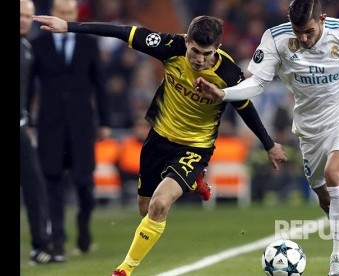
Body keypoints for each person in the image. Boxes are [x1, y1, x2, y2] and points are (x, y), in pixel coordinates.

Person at [33, 14, 287, 276]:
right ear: (186, 41)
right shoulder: (169, 46)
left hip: (195, 147)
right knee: (145, 209)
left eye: (207, 53)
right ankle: (194, 181)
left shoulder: (229, 73)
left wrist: (268, 144)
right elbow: (123, 31)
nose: (199, 59)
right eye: (195, 50)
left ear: (218, 49)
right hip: (159, 140)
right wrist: (69, 27)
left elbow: (244, 106)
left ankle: (124, 269)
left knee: (160, 204)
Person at [194, 0, 339, 275]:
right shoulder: (276, 39)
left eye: (308, 31)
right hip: (309, 131)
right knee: (328, 202)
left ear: (323, 19)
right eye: (298, 32)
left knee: (335, 175)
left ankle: (337, 266)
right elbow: (257, 83)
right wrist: (224, 94)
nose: (303, 38)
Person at [28, 0, 111, 262]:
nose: (66, 17)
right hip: (50, 126)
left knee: (85, 183)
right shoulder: (38, 45)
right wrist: (28, 119)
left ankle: (83, 223)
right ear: (53, 15)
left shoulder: (89, 44)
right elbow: (28, 85)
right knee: (51, 184)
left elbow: (101, 85)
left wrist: (105, 122)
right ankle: (59, 241)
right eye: (62, 13)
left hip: (82, 127)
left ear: (75, 15)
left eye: (70, 13)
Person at [20, 0, 52, 265]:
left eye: (28, 16)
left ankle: (40, 246)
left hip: (20, 129)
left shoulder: (27, 47)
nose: (24, 20)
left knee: (35, 186)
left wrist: (28, 118)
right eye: (20, 15)